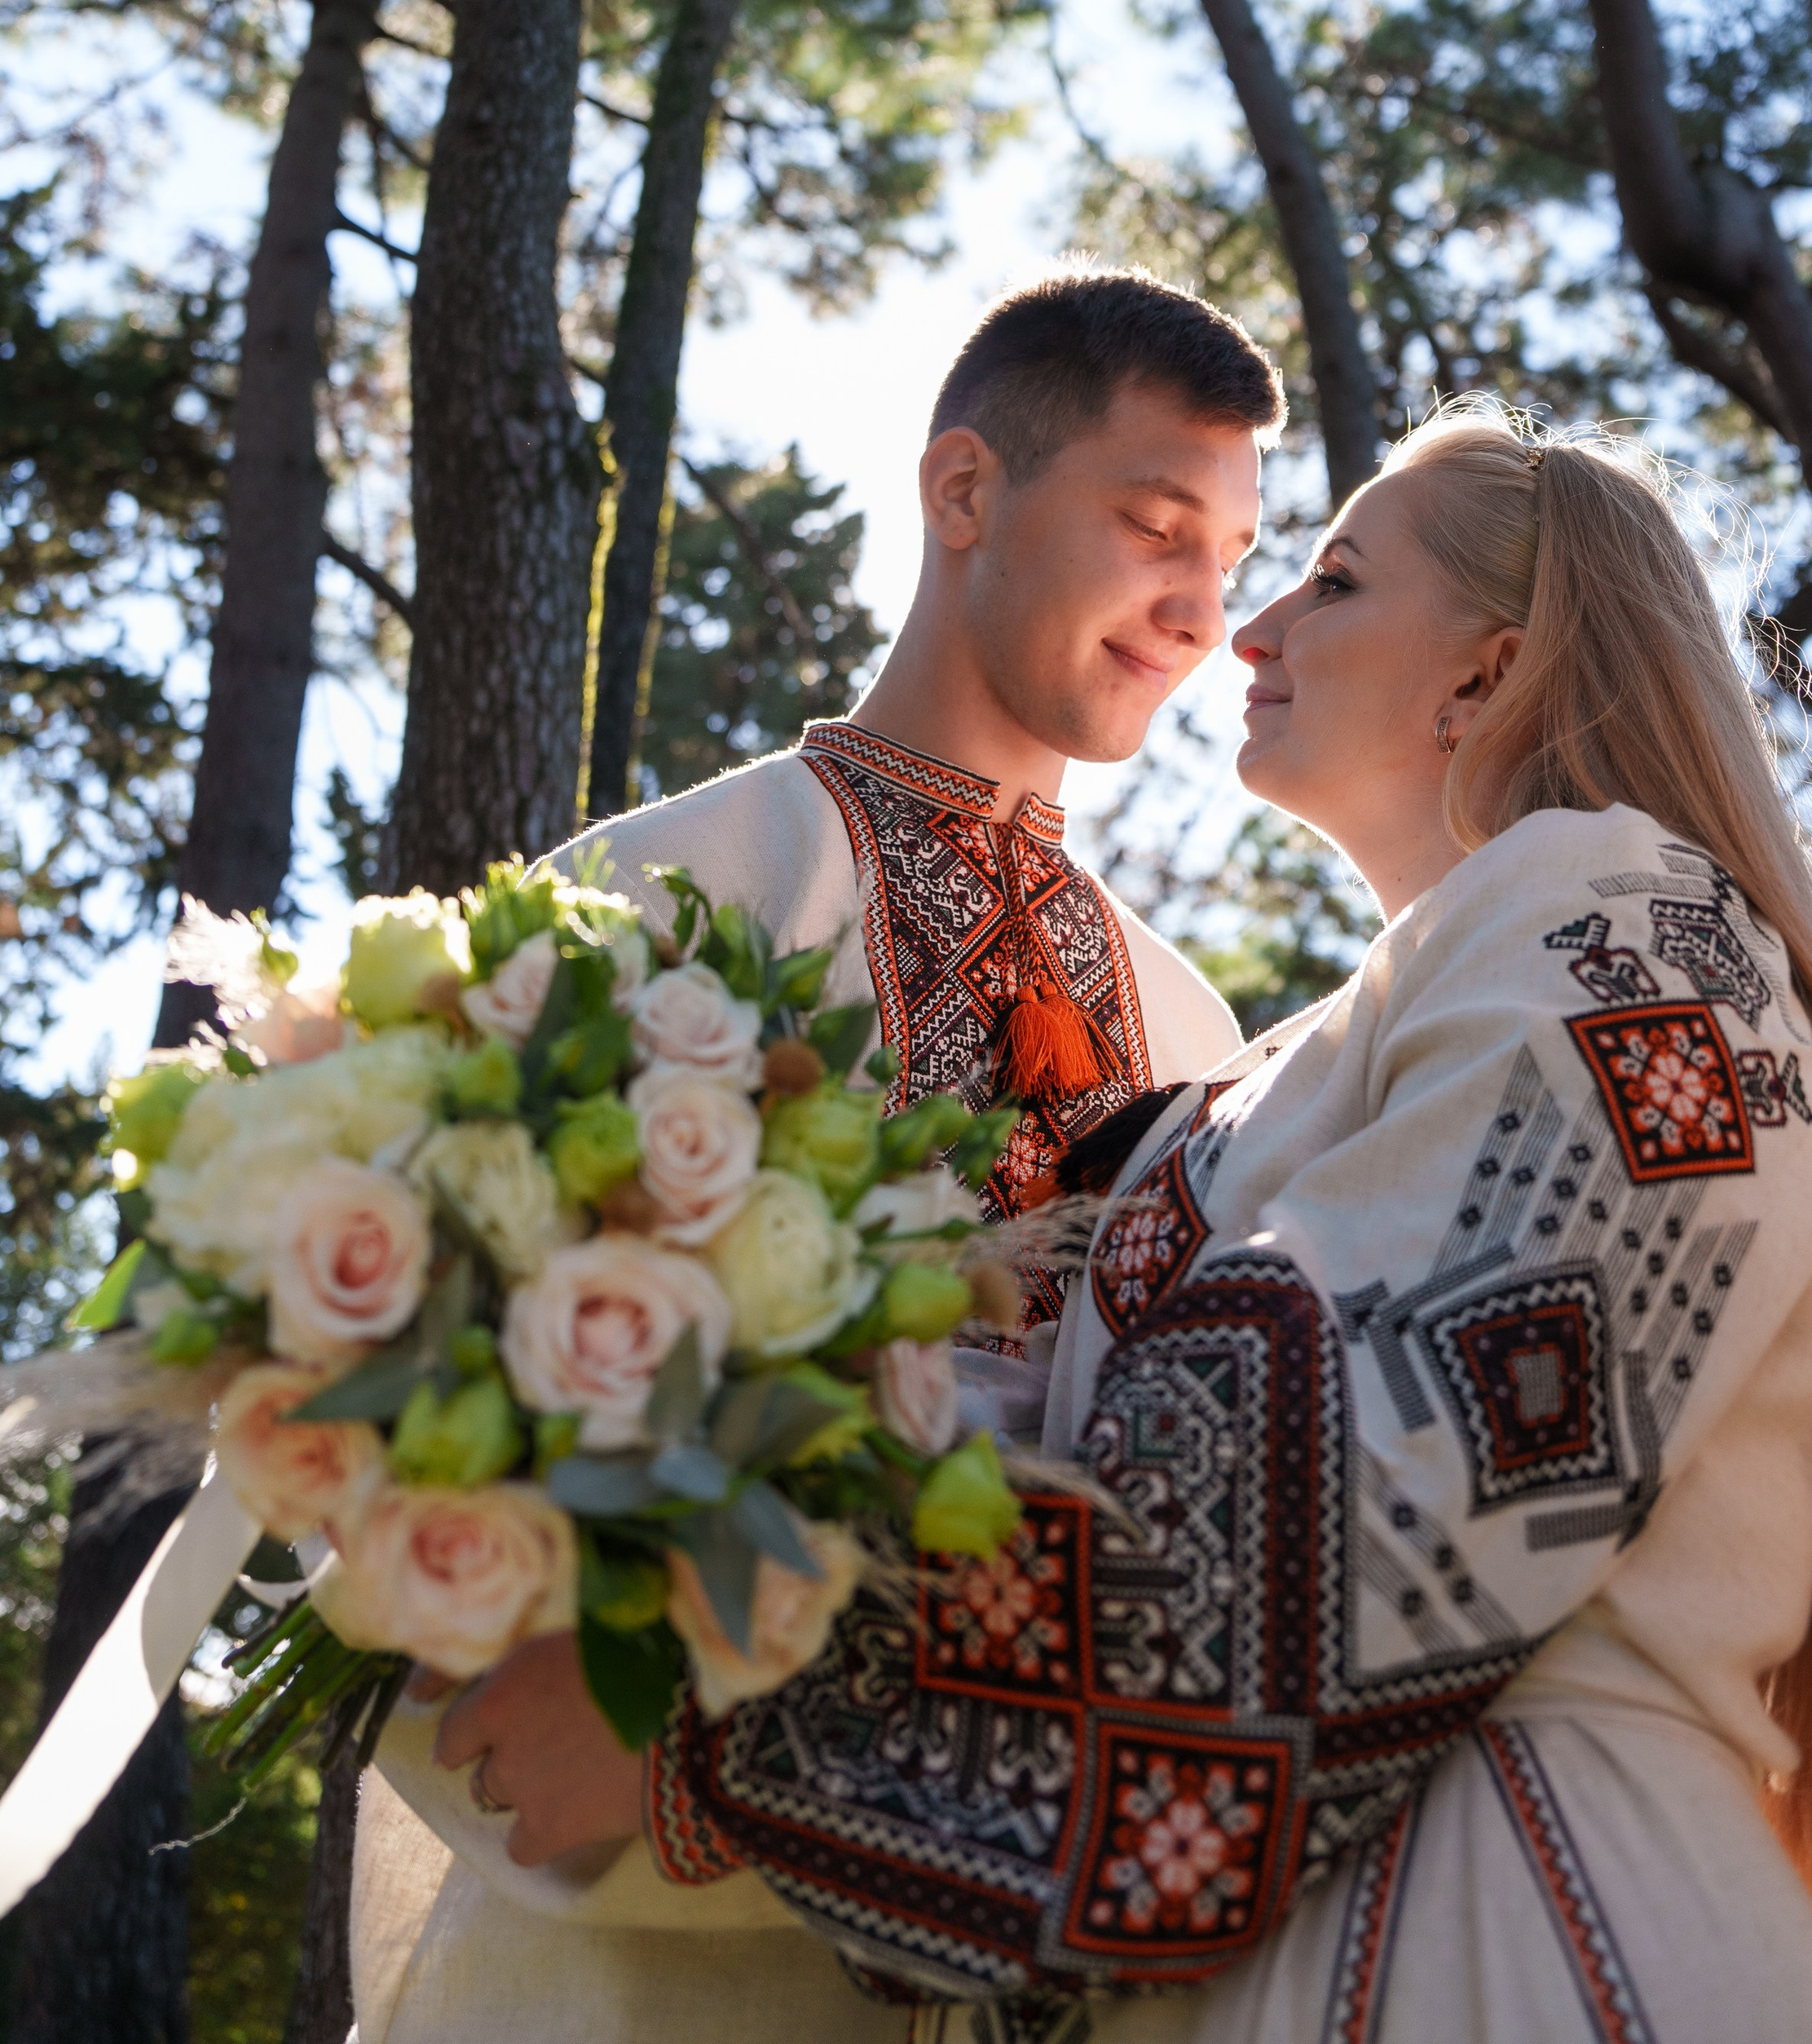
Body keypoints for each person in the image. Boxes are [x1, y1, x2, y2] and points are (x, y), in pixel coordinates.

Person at [590, 406, 1812, 2044]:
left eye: (1333, 581)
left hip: (1517, 1944)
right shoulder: (1298, 1058)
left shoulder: (1629, 931)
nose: (1251, 631)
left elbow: (1304, 1513)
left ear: (1484, 676)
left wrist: (706, 1749)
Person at [348, 263, 1278, 2044]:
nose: (1198, 612)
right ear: (963, 491)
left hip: (1054, 1933)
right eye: (1157, 528)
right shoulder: (656, 896)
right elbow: (411, 1445)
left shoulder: (1190, 1025)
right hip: (636, 1945)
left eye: (1230, 562)